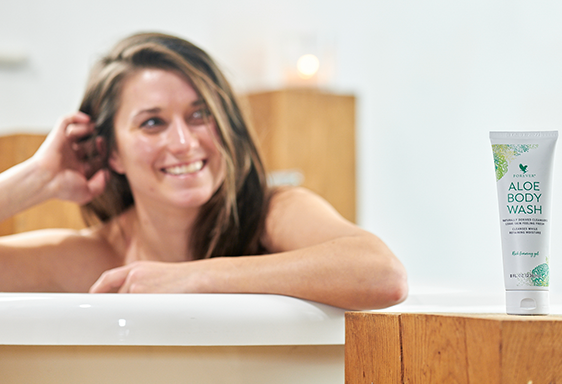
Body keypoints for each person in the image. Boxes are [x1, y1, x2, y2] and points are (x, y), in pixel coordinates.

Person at [0, 32, 407, 310]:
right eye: (152, 123)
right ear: (112, 153)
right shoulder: (95, 257)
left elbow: (381, 274)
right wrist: (34, 179)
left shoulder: (272, 213)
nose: (183, 141)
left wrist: (193, 278)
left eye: (200, 115)